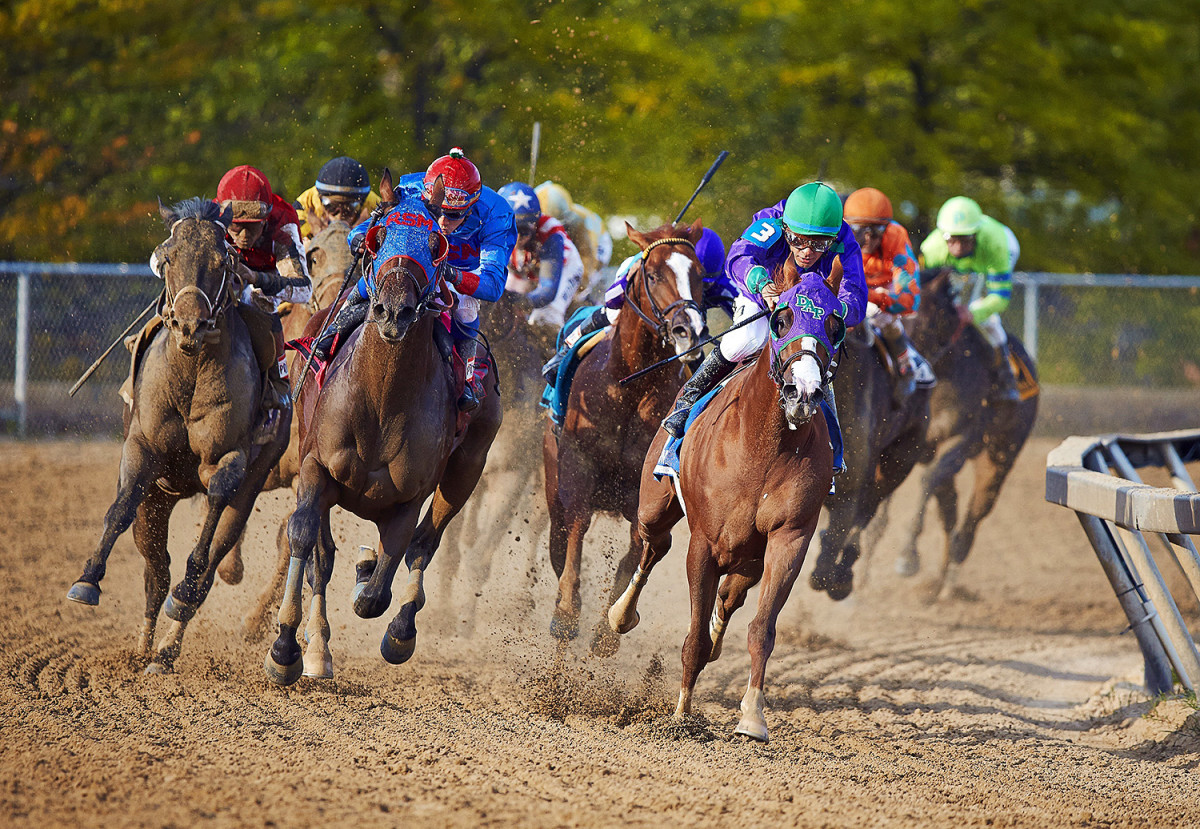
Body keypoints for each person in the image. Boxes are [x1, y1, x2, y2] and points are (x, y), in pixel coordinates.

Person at [661, 182, 867, 463]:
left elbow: (856, 298)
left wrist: (833, 307)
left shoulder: (845, 239)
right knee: (743, 341)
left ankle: (832, 449)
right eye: (798, 240)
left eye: (819, 244)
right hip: (762, 299)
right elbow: (739, 255)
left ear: (832, 238)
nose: (807, 251)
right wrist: (761, 284)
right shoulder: (772, 221)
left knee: (819, 362)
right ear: (786, 228)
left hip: (811, 315)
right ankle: (688, 398)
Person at [314, 148, 517, 413]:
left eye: (454, 215)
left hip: (460, 270)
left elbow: (492, 287)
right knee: (369, 283)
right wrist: (358, 237)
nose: (443, 221)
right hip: (415, 261)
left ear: (472, 206)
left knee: (466, 307)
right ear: (427, 196)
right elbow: (368, 227)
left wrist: (451, 275)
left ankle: (469, 376)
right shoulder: (409, 189)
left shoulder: (497, 214)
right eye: (438, 211)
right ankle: (331, 334)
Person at [539, 226, 735, 384]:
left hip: (686, 310)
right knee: (612, 314)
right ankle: (566, 349)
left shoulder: (725, 283)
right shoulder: (643, 265)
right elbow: (611, 299)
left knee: (695, 334)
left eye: (700, 283)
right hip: (648, 294)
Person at [215, 165, 312, 441]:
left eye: (253, 226)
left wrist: (255, 278)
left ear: (267, 218)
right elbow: (157, 260)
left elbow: (303, 288)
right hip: (219, 282)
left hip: (262, 284)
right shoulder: (211, 216)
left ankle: (275, 387)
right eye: (236, 226)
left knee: (257, 303)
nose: (244, 236)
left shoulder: (284, 220)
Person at [920, 195, 1020, 404]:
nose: (957, 248)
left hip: (1000, 249)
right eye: (952, 240)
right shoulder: (932, 249)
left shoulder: (997, 244)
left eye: (964, 240)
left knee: (985, 318)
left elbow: (1000, 297)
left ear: (976, 235)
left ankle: (1006, 377)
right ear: (942, 236)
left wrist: (973, 313)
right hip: (967, 262)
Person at [843, 186, 921, 405]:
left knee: (879, 314)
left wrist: (874, 297)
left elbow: (910, 300)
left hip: (879, 292)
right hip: (848, 287)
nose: (869, 238)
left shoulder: (896, 236)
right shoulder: (837, 235)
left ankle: (905, 367)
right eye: (860, 229)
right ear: (847, 225)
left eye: (877, 230)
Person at [498, 181, 586, 330]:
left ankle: (557, 350)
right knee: (502, 308)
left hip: (564, 269)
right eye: (513, 229)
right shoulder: (493, 230)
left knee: (544, 319)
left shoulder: (550, 235)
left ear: (535, 224)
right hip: (525, 270)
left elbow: (547, 291)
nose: (518, 238)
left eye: (524, 230)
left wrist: (524, 301)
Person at [535, 180, 613, 297]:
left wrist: (577, 289)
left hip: (598, 242)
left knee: (584, 285)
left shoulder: (579, 223)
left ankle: (590, 299)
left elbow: (587, 257)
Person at [293, 156, 382, 241]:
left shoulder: (376, 206)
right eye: (331, 206)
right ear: (319, 198)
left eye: (349, 207)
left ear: (363, 202)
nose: (339, 216)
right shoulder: (303, 207)